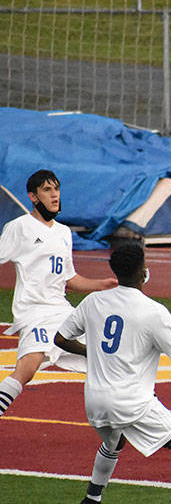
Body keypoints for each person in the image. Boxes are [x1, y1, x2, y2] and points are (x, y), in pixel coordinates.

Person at [54, 243, 171, 504]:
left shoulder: (94, 301)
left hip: (95, 402)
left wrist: (92, 352)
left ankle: (92, 498)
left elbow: (60, 339)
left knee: (113, 443)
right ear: (142, 271)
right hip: (131, 402)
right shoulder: (153, 311)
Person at [0, 169, 117, 420]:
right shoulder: (20, 227)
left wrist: (102, 285)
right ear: (33, 196)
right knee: (28, 368)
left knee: (107, 357)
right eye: (47, 190)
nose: (54, 195)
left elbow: (69, 280)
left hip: (62, 311)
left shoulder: (64, 232)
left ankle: (161, 421)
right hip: (34, 312)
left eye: (56, 189)